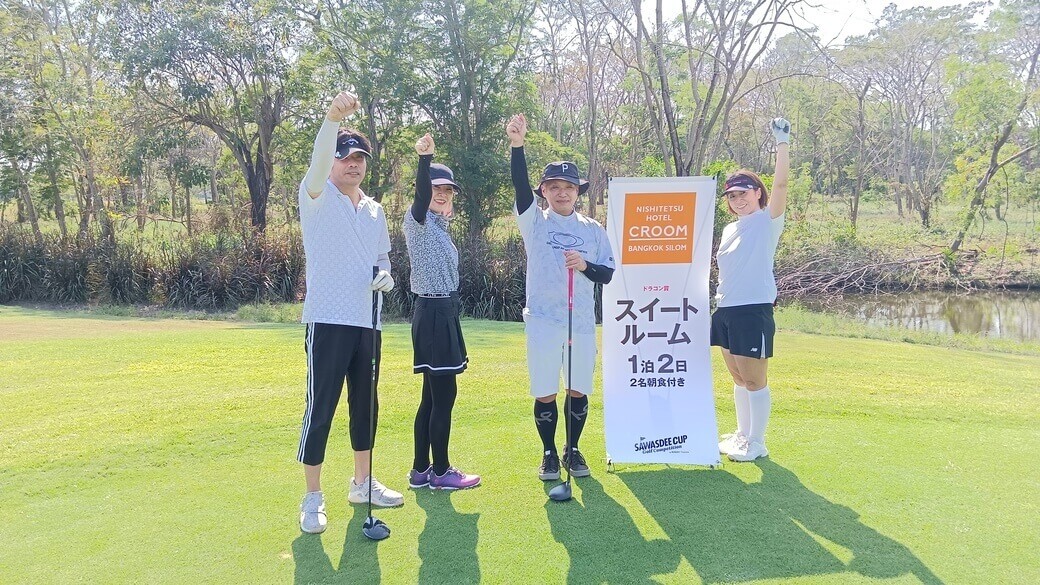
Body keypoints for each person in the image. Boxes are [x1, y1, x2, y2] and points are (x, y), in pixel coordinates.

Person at [296, 91, 404, 535]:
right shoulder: (316, 195)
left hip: (368, 321)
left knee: (365, 406)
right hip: (327, 319)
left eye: (359, 158)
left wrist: (385, 274)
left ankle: (362, 483)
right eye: (344, 157)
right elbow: (319, 160)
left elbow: (382, 256)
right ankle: (312, 497)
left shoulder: (375, 210)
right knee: (320, 407)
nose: (352, 164)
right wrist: (330, 120)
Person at [505, 113, 615, 482]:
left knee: (578, 390)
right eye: (554, 187)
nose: (562, 192)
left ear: (578, 191)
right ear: (545, 192)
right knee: (545, 392)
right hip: (543, 320)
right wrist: (517, 146)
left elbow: (607, 274)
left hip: (580, 322)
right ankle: (549, 453)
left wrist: (584, 265)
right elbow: (520, 188)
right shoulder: (534, 221)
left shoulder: (593, 229)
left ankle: (573, 448)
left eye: (568, 186)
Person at [403, 132, 481, 491]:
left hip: (440, 311)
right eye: (436, 188)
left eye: (448, 190)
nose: (442, 194)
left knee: (431, 398)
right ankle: (441, 471)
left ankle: (421, 470)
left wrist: (444, 215)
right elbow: (421, 198)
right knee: (444, 397)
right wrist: (425, 159)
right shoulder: (417, 220)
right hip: (434, 311)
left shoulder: (437, 225)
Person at [712, 117, 791, 463]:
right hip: (726, 309)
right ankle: (742, 433)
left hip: (752, 309)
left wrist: (782, 142)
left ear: (757, 193)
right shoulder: (730, 229)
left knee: (755, 379)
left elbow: (782, 185)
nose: (737, 200)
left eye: (743, 194)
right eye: (732, 196)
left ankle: (757, 442)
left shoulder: (767, 220)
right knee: (738, 377)